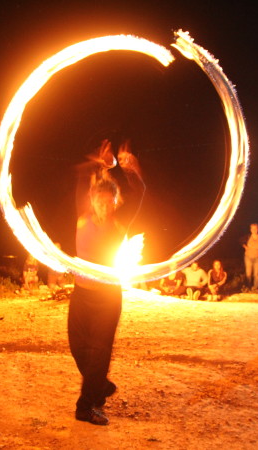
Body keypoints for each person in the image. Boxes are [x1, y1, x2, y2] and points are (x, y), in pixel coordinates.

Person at [68, 138, 145, 426]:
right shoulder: (82, 217)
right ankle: (98, 385)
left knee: (99, 351)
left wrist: (131, 170)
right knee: (78, 349)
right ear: (92, 200)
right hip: (81, 294)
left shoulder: (119, 222)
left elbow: (140, 192)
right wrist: (99, 162)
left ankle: (87, 406)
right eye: (98, 199)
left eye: (108, 200)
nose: (103, 204)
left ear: (115, 202)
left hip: (107, 298)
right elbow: (79, 175)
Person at [240, 223, 258, 291]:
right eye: (252, 228)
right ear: (250, 229)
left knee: (256, 274)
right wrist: (245, 247)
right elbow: (240, 241)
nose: (254, 230)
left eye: (255, 228)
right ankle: (247, 287)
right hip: (248, 257)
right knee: (248, 274)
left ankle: (256, 288)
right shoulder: (248, 236)